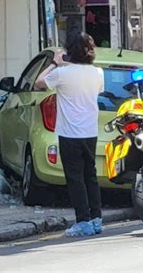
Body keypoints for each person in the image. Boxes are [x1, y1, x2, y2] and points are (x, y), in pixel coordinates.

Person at [35, 32, 104, 237]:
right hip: (90, 131)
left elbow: (39, 82)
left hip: (69, 133)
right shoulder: (98, 73)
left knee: (75, 178)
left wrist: (55, 63)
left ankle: (83, 221)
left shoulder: (63, 73)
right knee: (90, 175)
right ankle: (96, 219)